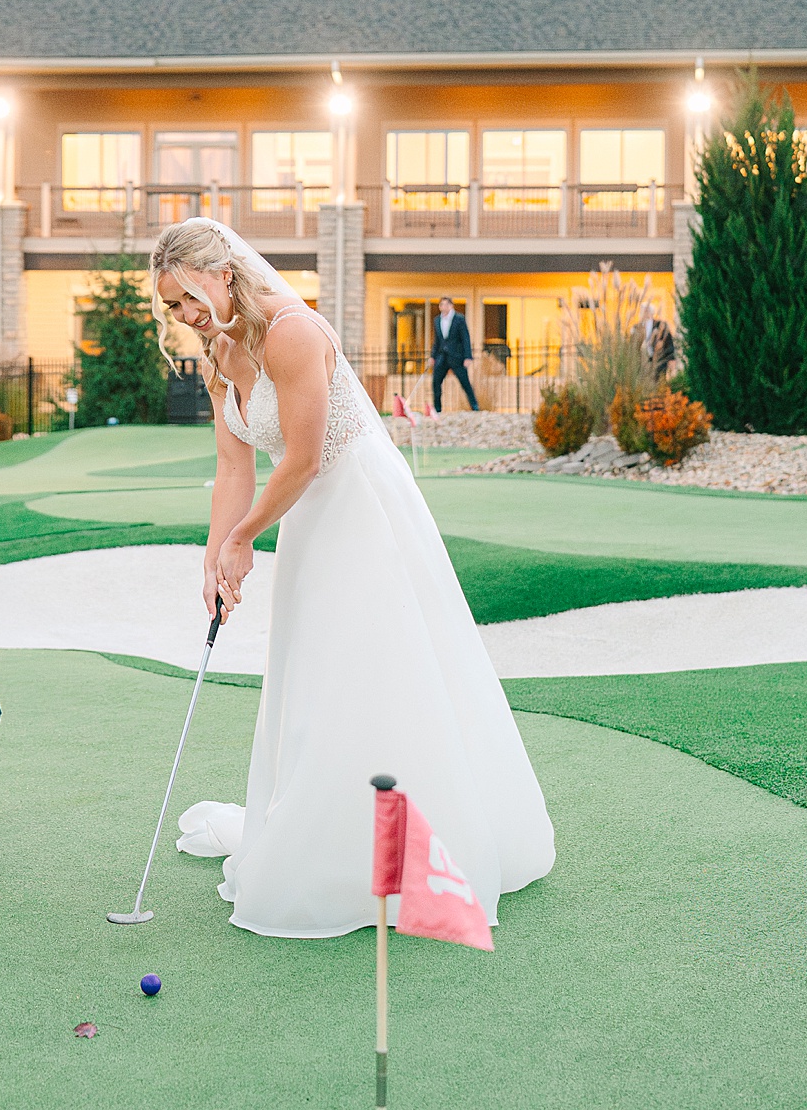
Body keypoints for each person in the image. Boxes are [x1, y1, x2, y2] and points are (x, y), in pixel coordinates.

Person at [151, 219, 554, 939]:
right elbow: (234, 466)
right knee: (315, 680)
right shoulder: (219, 353)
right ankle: (333, 839)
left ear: (219, 274)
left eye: (183, 298)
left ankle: (414, 855)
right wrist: (216, 554)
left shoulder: (292, 332)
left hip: (357, 509)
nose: (180, 316)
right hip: (308, 523)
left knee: (378, 672)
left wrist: (247, 537)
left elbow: (303, 458)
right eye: (171, 307)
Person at [431, 295, 480, 411]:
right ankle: (437, 409)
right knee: (436, 381)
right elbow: (437, 340)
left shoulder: (459, 319)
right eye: (442, 304)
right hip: (442, 356)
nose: (444, 307)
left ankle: (474, 406)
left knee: (464, 382)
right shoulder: (437, 320)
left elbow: (465, 338)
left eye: (447, 304)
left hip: (456, 357)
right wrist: (433, 356)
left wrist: (468, 357)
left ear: (451, 306)